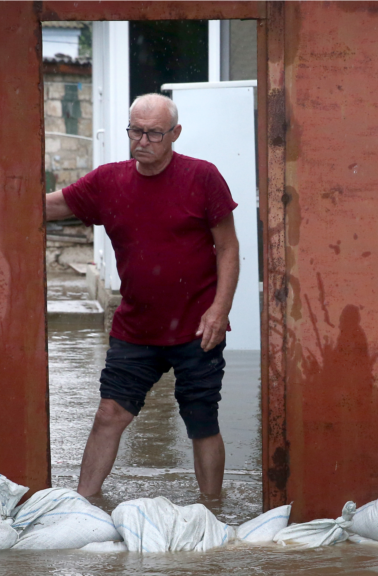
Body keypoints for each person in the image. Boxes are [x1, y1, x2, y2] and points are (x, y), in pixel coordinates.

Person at [44, 93, 240, 498]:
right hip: (136, 327)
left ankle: (213, 509)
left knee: (201, 420)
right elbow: (52, 206)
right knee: (109, 413)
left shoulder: (202, 177)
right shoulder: (108, 181)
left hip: (197, 326)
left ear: (175, 134)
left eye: (154, 133)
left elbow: (228, 247)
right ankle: (81, 505)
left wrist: (220, 310)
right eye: (136, 131)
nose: (143, 141)